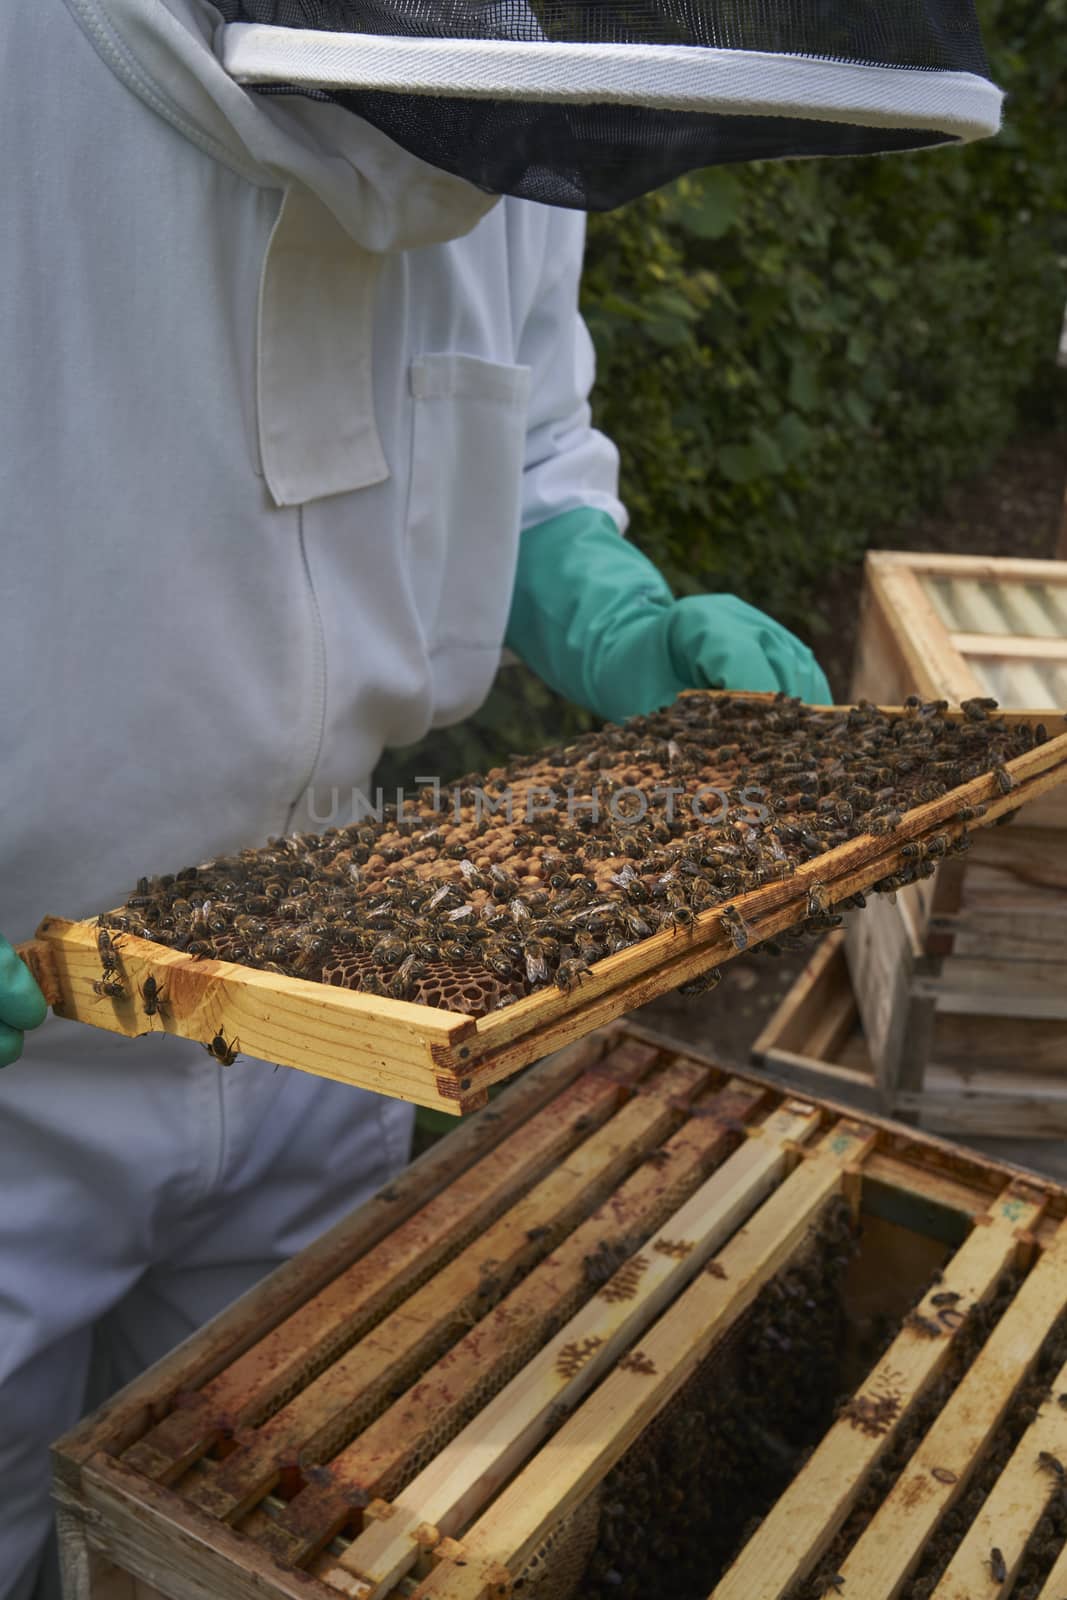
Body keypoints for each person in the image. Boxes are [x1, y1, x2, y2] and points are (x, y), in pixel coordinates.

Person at [0, 4, 999, 1596]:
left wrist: (608, 602)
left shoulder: (515, 92)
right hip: (16, 1069)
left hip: (334, 980)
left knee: (236, 1526)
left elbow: (525, 443)